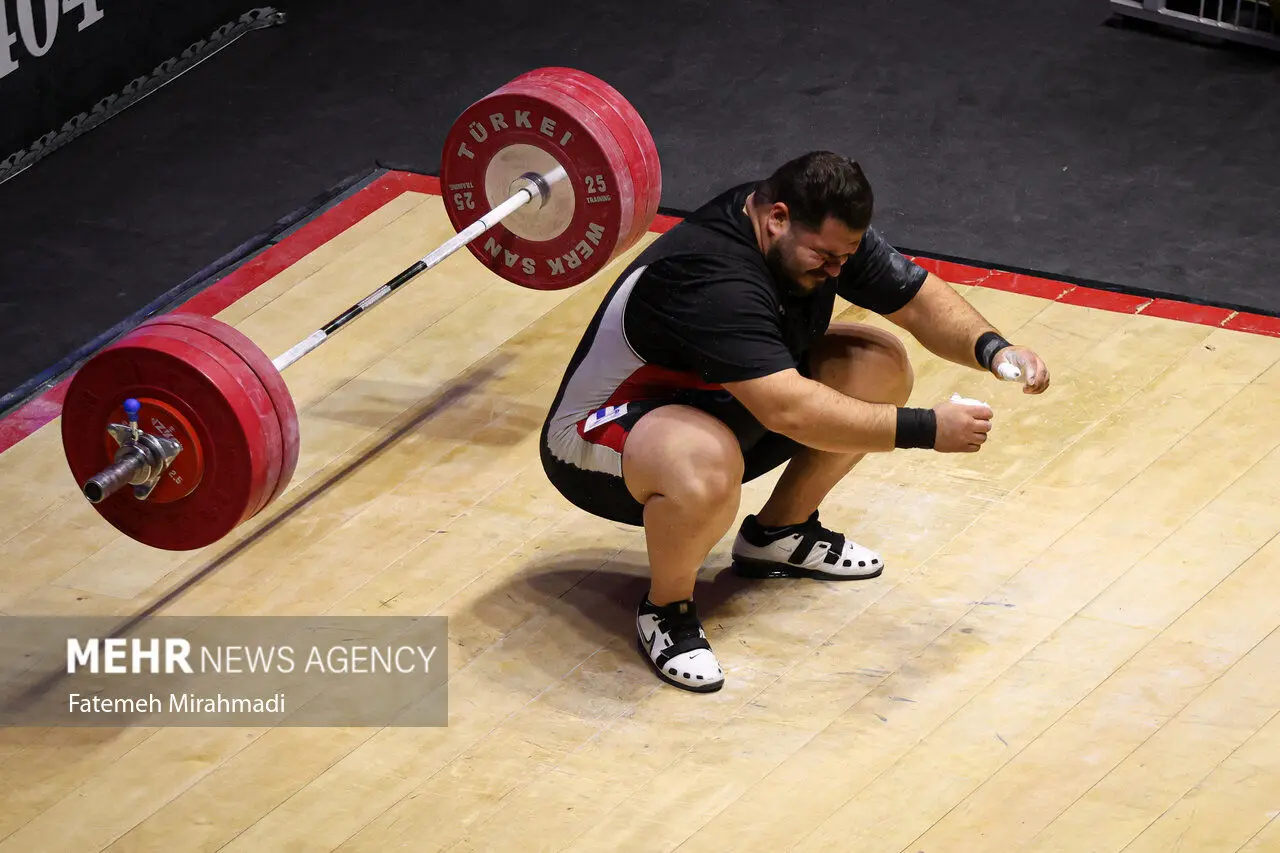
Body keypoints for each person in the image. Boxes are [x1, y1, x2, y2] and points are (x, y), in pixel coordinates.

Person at [539, 151, 1050, 693]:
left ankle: (778, 534)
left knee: (875, 363)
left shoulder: (816, 233)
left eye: (845, 257)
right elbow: (791, 411)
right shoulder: (711, 275)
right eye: (826, 258)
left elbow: (918, 301)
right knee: (704, 462)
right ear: (776, 218)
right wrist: (926, 429)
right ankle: (667, 610)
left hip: (716, 406)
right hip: (599, 436)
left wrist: (995, 349)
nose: (836, 271)